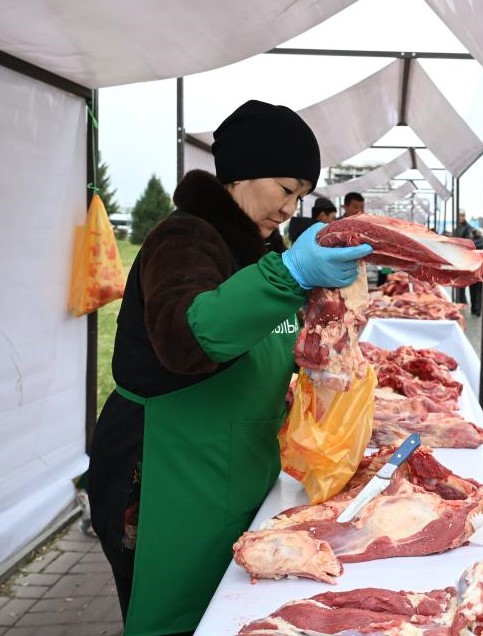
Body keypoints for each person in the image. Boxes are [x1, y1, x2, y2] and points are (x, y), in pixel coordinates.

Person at [86, 100, 372, 636]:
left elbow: (276, 341)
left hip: (236, 466)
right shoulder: (186, 238)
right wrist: (287, 275)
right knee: (173, 615)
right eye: (286, 189)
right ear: (242, 171)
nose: (291, 208)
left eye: (302, 196)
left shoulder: (262, 244)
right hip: (166, 466)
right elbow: (190, 337)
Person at [454, 211, 474, 304]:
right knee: (458, 281)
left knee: (463, 280)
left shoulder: (468, 228)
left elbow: (468, 241)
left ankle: (462, 300)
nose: (460, 217)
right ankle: (461, 299)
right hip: (457, 256)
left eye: (462, 216)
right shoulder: (457, 227)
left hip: (464, 257)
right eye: (459, 216)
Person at [468, 228, 483, 316]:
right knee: (479, 290)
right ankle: (478, 309)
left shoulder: (470, 244)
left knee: (472, 289)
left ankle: (473, 308)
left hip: (471, 269)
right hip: (480, 269)